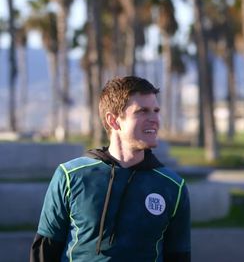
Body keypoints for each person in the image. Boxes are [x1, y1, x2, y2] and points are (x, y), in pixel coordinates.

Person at [30, 76, 191, 262]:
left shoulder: (173, 187)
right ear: (114, 121)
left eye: (156, 111)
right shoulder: (70, 176)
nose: (154, 119)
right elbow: (45, 250)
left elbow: (179, 256)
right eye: (142, 111)